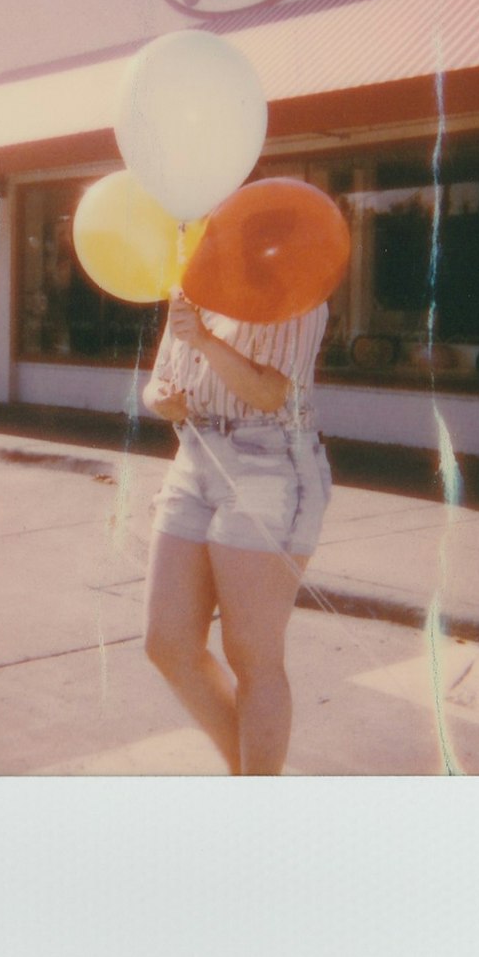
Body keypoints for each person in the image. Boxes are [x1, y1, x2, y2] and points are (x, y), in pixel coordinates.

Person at [142, 292, 331, 775]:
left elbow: (270, 394)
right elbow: (159, 377)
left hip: (268, 459)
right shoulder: (193, 288)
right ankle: (251, 778)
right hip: (195, 454)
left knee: (251, 652)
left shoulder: (297, 291)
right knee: (167, 642)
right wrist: (161, 398)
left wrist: (204, 339)